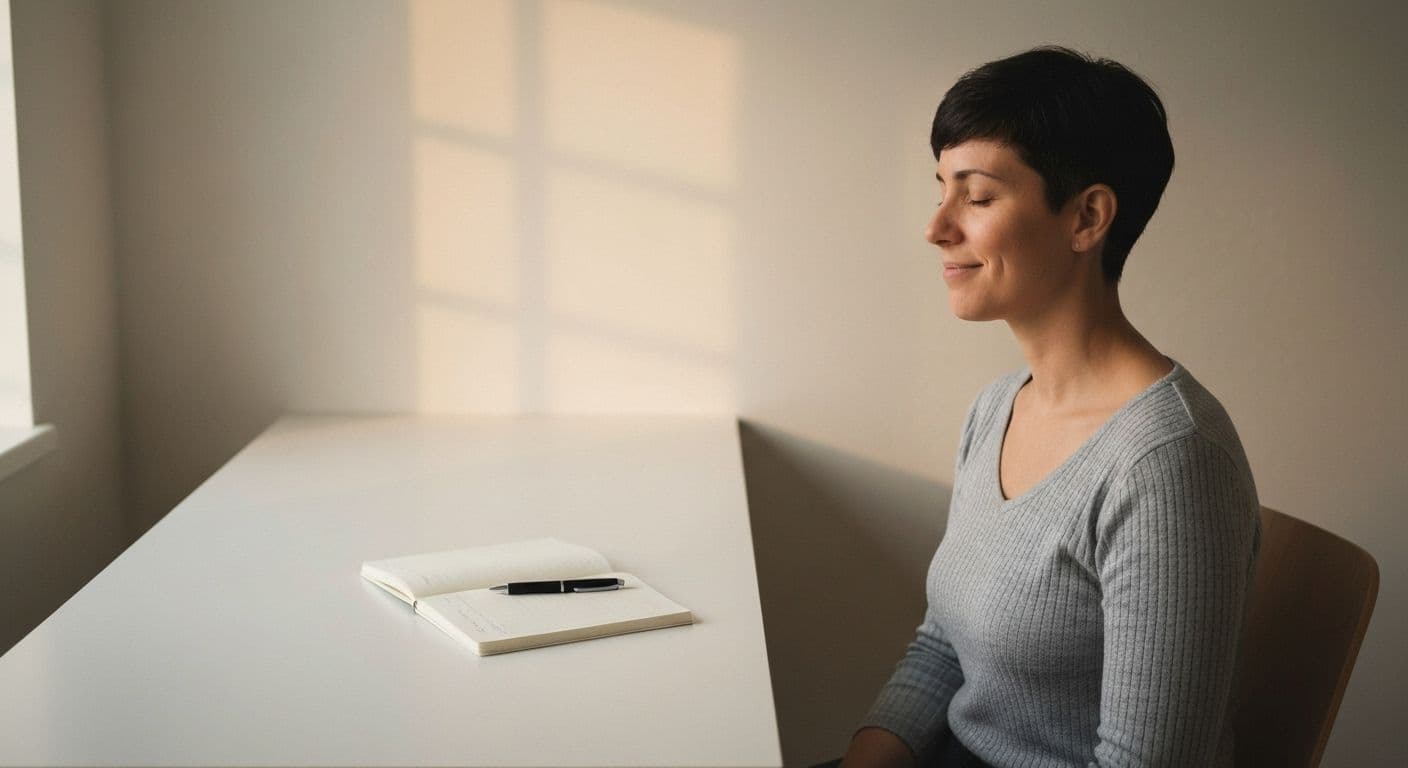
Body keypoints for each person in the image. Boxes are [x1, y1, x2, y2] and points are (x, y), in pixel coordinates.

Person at [839, 46, 1261, 767]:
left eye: (975, 197)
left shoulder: (1167, 465)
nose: (937, 227)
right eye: (939, 188)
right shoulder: (997, 408)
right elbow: (945, 641)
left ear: (1087, 217)